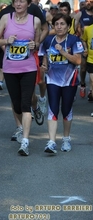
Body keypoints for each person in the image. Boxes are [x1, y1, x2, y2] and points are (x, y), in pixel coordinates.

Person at [0, 0, 48, 142]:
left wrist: (36, 44)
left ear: (27, 0)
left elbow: (42, 32)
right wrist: (6, 46)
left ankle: (33, 110)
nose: (16, 0)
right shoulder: (5, 15)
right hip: (11, 64)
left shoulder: (35, 14)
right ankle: (20, 127)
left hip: (28, 64)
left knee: (28, 98)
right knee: (16, 101)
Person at [38, 13, 83, 154]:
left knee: (66, 109)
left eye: (62, 24)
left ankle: (66, 138)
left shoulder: (74, 40)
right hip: (52, 79)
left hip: (70, 80)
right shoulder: (48, 40)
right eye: (56, 24)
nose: (59, 27)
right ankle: (51, 142)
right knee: (53, 108)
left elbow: (78, 61)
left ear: (68, 26)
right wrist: (44, 66)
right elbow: (44, 56)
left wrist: (63, 52)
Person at [74, 0, 93, 99]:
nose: (88, 3)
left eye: (91, 1)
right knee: (84, 67)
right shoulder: (81, 14)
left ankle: (91, 90)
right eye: (87, 1)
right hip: (83, 43)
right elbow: (73, 25)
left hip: (92, 46)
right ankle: (82, 84)